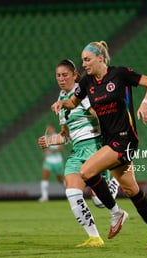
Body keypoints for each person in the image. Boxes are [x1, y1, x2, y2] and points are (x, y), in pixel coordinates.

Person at [51, 41, 147, 249]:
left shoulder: (120, 74)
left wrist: (145, 104)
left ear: (100, 59)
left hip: (125, 138)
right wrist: (62, 103)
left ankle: (117, 213)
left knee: (86, 171)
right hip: (109, 140)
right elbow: (73, 103)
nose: (84, 64)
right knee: (131, 190)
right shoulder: (87, 83)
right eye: (83, 60)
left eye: (87, 59)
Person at [38, 59, 121, 247]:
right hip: (77, 152)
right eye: (58, 75)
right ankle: (94, 238)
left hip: (94, 148)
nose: (61, 79)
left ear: (75, 75)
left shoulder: (83, 93)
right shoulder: (61, 100)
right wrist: (50, 141)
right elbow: (65, 136)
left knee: (100, 202)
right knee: (72, 192)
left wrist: (109, 134)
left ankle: (114, 180)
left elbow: (99, 114)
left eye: (65, 75)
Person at [38, 124, 65, 202]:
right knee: (44, 177)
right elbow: (45, 148)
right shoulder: (46, 137)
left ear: (53, 129)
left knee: (60, 179)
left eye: (50, 129)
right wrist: (45, 152)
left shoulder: (57, 136)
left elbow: (60, 148)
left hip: (57, 161)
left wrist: (50, 151)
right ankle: (44, 196)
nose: (48, 130)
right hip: (48, 160)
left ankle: (69, 192)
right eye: (48, 129)